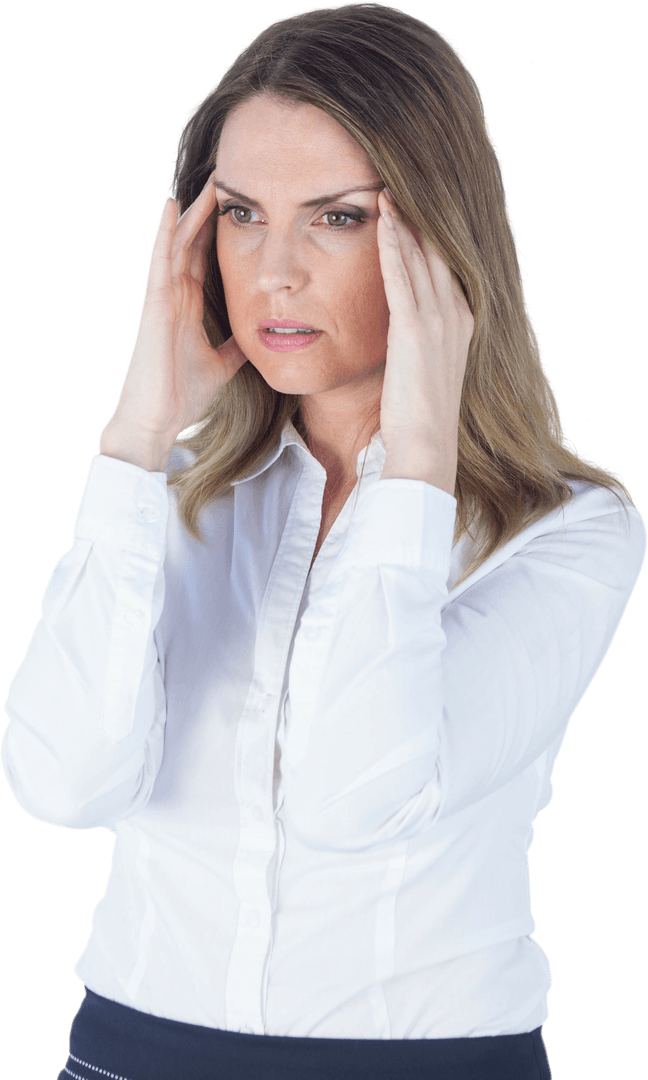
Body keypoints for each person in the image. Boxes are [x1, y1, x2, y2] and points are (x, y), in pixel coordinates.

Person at [2, 3, 645, 1078]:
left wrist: (419, 460)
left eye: (337, 217)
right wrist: (134, 439)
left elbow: (359, 797)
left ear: (438, 239)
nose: (275, 272)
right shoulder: (165, 501)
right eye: (244, 214)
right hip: (129, 1049)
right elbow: (60, 786)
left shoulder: (572, 536)